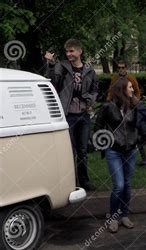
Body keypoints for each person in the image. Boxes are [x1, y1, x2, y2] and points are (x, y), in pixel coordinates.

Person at [44, 39, 98, 191]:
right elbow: (52, 81)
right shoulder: (62, 67)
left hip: (83, 115)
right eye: (67, 51)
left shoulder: (89, 70)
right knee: (70, 150)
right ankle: (70, 183)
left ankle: (84, 181)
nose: (69, 54)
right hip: (68, 115)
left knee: (82, 150)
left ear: (79, 51)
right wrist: (51, 64)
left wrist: (90, 102)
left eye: (72, 51)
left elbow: (95, 89)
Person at [95, 78, 140, 233]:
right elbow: (98, 127)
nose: (132, 90)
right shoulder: (108, 107)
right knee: (119, 185)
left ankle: (125, 215)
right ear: (121, 89)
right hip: (114, 150)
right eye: (130, 87)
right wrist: (105, 144)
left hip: (131, 150)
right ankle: (114, 217)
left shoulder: (134, 105)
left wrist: (137, 140)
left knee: (127, 184)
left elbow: (139, 125)